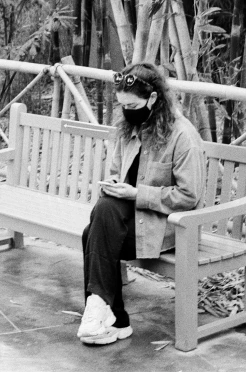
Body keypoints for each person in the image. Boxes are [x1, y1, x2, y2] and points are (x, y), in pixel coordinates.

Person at [78, 62, 206, 345]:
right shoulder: (128, 128)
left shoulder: (183, 137)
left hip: (168, 227)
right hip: (128, 221)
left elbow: (189, 196)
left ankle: (107, 314)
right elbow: (115, 171)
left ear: (152, 99)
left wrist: (137, 194)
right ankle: (105, 314)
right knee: (101, 218)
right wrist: (113, 186)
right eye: (122, 105)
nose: (127, 112)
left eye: (133, 106)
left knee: (93, 232)